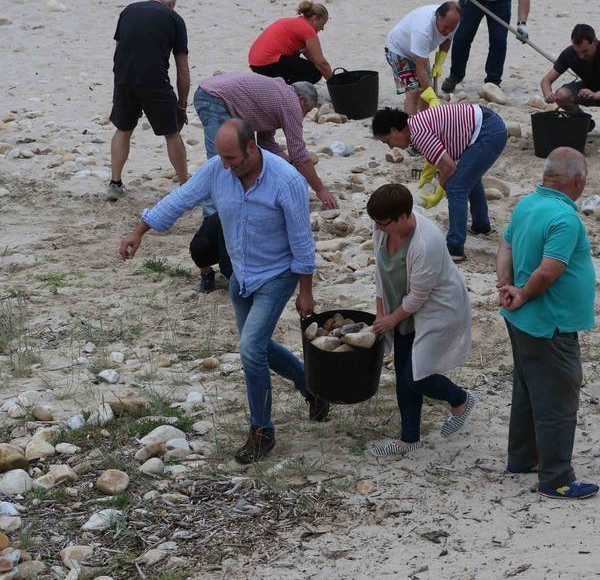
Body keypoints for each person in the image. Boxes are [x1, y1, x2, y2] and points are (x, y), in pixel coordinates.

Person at [119, 118, 330, 464]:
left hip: (277, 274)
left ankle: (262, 431)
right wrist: (139, 230)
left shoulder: (286, 180)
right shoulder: (218, 169)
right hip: (241, 276)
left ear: (251, 148)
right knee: (258, 345)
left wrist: (305, 291)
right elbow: (181, 198)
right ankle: (313, 388)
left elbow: (302, 241)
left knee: (249, 349)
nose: (226, 166)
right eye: (222, 158)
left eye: (232, 158)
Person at [496, 147, 598, 500]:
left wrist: (505, 287)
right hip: (548, 324)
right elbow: (549, 271)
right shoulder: (565, 219)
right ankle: (556, 479)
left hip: (522, 320)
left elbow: (505, 246)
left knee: (528, 388)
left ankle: (522, 458)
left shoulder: (527, 204)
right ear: (579, 180)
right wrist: (521, 293)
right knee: (557, 397)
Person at [367, 184, 473, 455]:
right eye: (376, 222)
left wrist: (390, 320)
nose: (378, 228)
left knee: (417, 376)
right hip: (400, 311)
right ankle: (409, 439)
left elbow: (418, 297)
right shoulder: (382, 229)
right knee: (403, 375)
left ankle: (460, 399)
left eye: (383, 223)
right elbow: (380, 274)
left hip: (436, 310)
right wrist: (382, 313)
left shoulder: (427, 242)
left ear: (403, 216)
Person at [372, 104, 507, 262]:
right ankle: (481, 225)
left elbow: (449, 167)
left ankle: (455, 248)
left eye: (388, 141)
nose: (391, 146)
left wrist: (439, 190)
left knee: (456, 187)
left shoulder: (418, 133)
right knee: (468, 177)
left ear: (395, 130)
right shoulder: (414, 126)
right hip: (486, 125)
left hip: (487, 132)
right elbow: (438, 158)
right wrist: (432, 179)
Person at [193, 73, 337, 211]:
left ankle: (242, 201)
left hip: (213, 92)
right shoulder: (291, 103)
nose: (303, 116)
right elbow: (298, 153)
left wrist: (290, 169)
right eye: (306, 110)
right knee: (221, 161)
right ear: (302, 100)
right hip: (214, 97)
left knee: (242, 156)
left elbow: (266, 145)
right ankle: (211, 215)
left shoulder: (278, 95)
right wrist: (320, 189)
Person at [107, 0, 190, 201]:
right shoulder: (174, 18)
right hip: (154, 80)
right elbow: (182, 67)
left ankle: (115, 183)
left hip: (124, 78)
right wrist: (182, 104)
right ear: (171, 4)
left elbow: (118, 49)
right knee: (171, 132)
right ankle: (185, 184)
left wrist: (120, 79)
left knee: (123, 129)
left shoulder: (128, 11)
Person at [442, 0, 530, 92]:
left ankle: (493, 82)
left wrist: (522, 24)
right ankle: (455, 76)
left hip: (501, 1)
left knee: (499, 41)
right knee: (462, 37)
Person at [385, 2, 462, 115]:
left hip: (419, 52)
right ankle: (410, 127)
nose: (448, 31)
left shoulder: (453, 22)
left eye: (452, 28)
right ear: (437, 16)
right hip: (398, 50)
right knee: (414, 92)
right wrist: (432, 97)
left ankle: (426, 122)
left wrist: (439, 62)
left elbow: (447, 39)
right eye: (445, 27)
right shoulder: (423, 30)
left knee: (426, 90)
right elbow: (420, 68)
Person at [249, 0, 332, 84]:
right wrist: (335, 84)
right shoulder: (307, 30)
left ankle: (280, 86)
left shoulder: (293, 22)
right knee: (314, 73)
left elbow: (314, 60)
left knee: (304, 63)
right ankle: (286, 91)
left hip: (255, 65)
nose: (322, 28)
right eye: (322, 24)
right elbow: (321, 63)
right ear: (314, 19)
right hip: (268, 64)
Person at [540, 23, 600, 118]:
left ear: (595, 42)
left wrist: (596, 94)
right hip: (588, 89)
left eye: (585, 51)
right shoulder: (569, 54)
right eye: (577, 51)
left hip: (596, 93)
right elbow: (546, 80)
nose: (581, 56)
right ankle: (581, 121)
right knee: (562, 95)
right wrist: (548, 94)